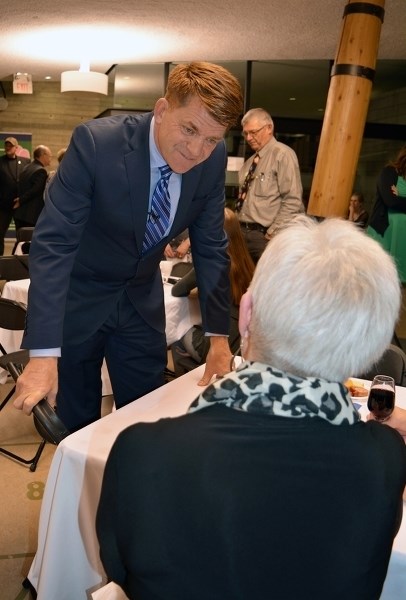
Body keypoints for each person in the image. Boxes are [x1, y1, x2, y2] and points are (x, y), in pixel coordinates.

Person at [96, 216, 406, 600]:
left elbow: (120, 569)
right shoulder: (386, 459)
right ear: (373, 347)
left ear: (245, 315)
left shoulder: (144, 452)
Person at [12, 61, 244, 432]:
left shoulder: (211, 159)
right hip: (80, 301)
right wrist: (42, 353)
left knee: (145, 424)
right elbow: (54, 244)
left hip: (140, 305)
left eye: (211, 139)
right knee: (74, 425)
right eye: (190, 129)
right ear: (163, 109)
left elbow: (211, 247)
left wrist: (219, 338)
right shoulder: (96, 144)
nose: (198, 149)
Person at [171, 207, 255, 375]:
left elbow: (177, 290)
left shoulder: (212, 265)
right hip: (241, 343)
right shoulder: (248, 264)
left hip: (216, 344)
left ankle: (188, 382)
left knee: (176, 333)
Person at [236, 107, 304, 263]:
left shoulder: (283, 154)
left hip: (265, 237)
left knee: (266, 285)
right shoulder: (249, 163)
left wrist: (271, 234)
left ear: (269, 128)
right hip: (242, 235)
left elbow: (293, 200)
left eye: (253, 132)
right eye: (245, 133)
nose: (248, 138)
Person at [368, 146, 406, 282]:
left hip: (404, 239)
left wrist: (400, 197)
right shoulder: (389, 172)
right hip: (386, 233)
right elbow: (391, 201)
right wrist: (399, 199)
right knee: (382, 280)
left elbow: (397, 201)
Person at [0, 137, 30, 255]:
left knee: (21, 234)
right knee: (0, 233)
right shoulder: (0, 161)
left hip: (20, 205)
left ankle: (16, 257)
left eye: (10, 146)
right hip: (3, 206)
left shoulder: (25, 162)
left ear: (16, 148)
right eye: (6, 145)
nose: (8, 148)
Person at [13, 145, 52, 229]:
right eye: (49, 156)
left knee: (21, 240)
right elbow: (35, 190)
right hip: (30, 216)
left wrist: (20, 200)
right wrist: (21, 200)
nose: (50, 159)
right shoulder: (41, 171)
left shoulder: (27, 167)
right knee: (29, 240)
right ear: (43, 155)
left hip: (19, 214)